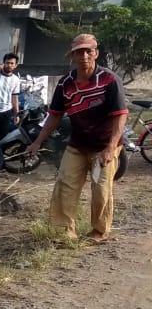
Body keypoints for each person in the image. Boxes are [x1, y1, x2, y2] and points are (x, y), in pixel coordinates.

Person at [24, 34, 127, 243]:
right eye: (79, 52)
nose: (84, 56)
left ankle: (99, 231)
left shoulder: (109, 80)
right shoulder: (66, 84)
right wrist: (37, 142)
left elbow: (120, 116)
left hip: (104, 146)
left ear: (96, 53)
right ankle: (64, 232)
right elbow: (54, 115)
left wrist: (110, 148)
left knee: (100, 190)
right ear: (73, 56)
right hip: (77, 145)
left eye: (89, 51)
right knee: (65, 185)